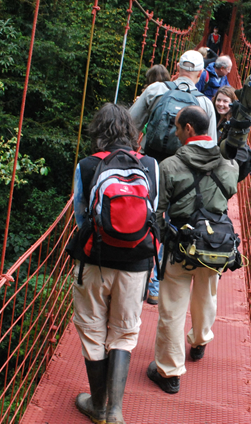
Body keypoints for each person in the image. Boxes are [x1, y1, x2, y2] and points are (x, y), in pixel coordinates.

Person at [70, 103, 159, 424]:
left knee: (93, 330)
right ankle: (115, 411)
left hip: (94, 259)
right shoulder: (150, 164)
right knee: (123, 333)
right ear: (131, 131)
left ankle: (97, 405)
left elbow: (82, 216)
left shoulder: (87, 165)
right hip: (136, 262)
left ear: (98, 132)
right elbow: (154, 213)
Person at [147, 106, 238, 394]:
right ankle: (199, 341)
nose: (174, 132)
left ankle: (170, 373)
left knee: (172, 309)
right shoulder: (228, 165)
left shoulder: (170, 166)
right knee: (207, 295)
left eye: (176, 126)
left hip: (180, 247)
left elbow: (157, 213)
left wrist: (165, 240)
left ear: (188, 129)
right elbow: (230, 193)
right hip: (215, 246)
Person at [129, 50, 217, 161]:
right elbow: (210, 146)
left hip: (149, 163)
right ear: (201, 73)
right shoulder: (205, 104)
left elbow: (130, 125)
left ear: (177, 67)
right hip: (183, 168)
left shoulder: (155, 90)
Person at [141, 64, 171, 307]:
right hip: (174, 172)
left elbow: (132, 123)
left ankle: (139, 280)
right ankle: (155, 287)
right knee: (163, 226)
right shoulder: (190, 100)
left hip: (148, 165)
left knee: (143, 218)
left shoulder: (150, 95)